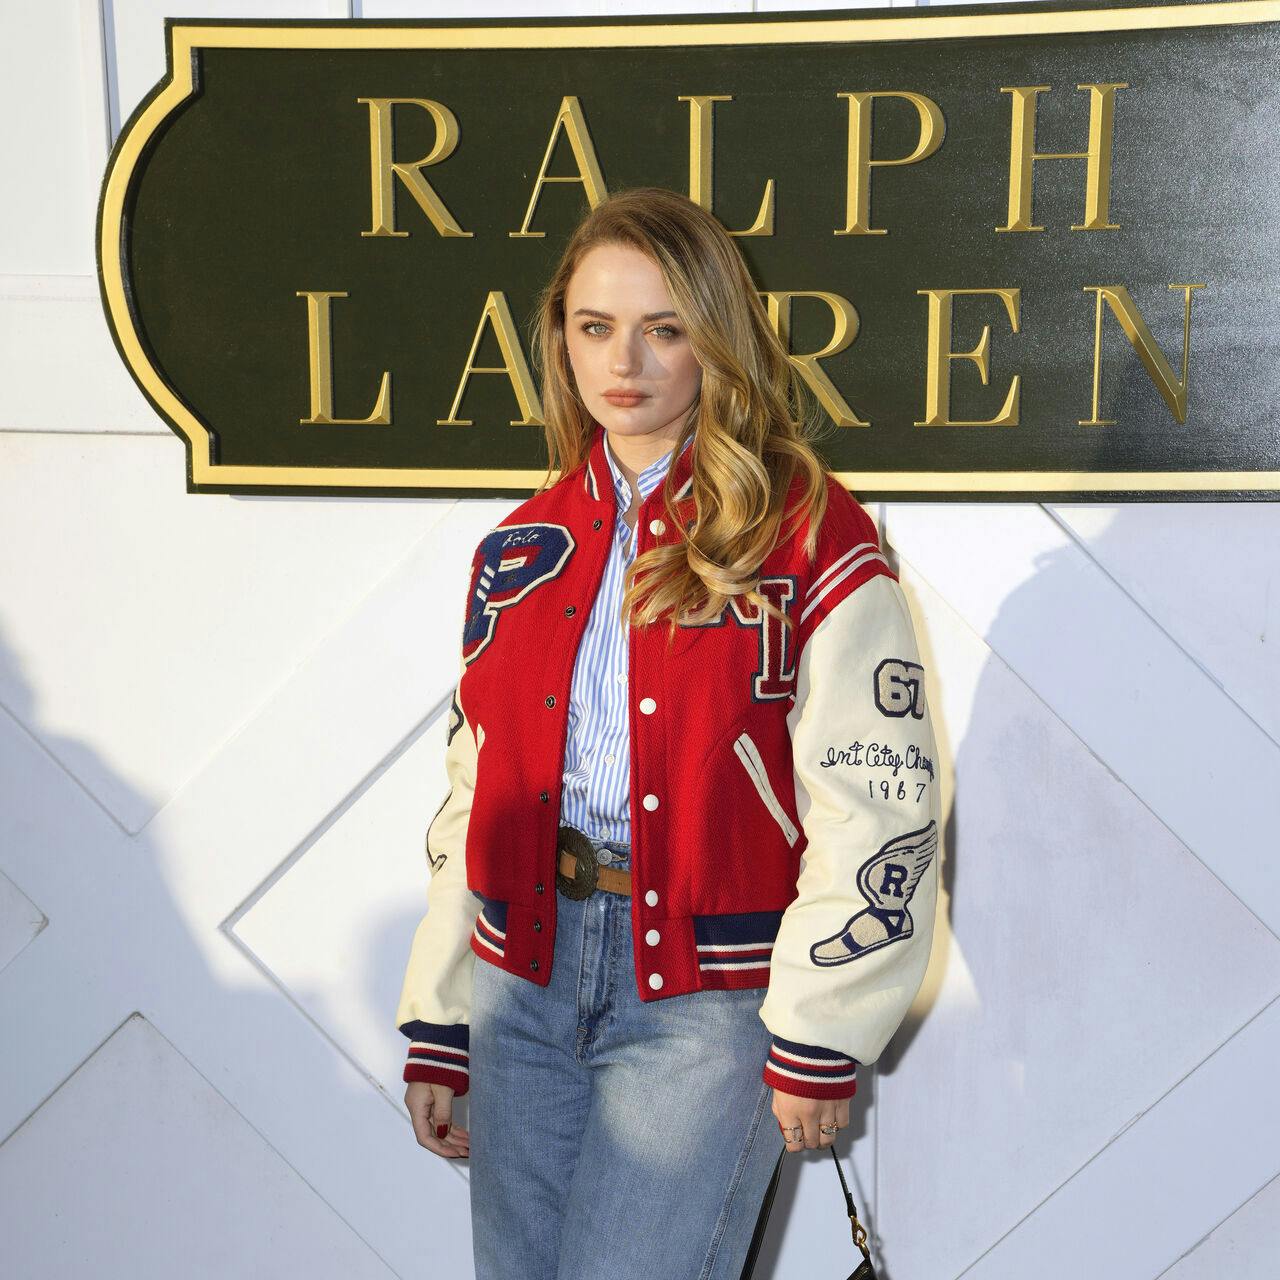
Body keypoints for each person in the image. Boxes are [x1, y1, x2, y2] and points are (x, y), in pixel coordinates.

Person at [395, 186, 942, 1280]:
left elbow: (878, 797)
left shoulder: (803, 532)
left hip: (706, 1005)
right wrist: (442, 1014)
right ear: (560, 337)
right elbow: (477, 792)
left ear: (714, 337)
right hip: (522, 981)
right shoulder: (521, 546)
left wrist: (820, 1028)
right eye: (595, 326)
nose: (623, 360)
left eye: (662, 327)